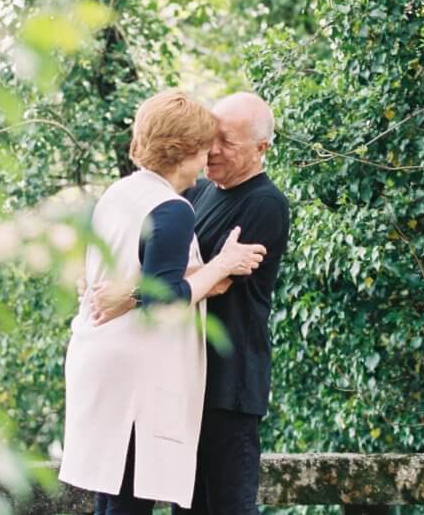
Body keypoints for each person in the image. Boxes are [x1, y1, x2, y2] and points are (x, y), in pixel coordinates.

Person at [58, 90, 268, 513]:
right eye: (207, 146)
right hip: (134, 370)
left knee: (112, 493)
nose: (211, 156)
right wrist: (223, 262)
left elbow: (142, 275)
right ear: (187, 151)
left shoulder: (121, 192)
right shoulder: (172, 209)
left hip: (98, 356)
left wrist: (204, 276)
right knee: (129, 498)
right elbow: (164, 299)